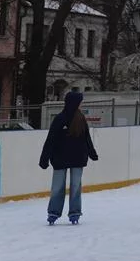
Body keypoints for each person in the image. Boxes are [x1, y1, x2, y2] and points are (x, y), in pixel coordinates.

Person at [38, 90, 98, 225]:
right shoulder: (60, 119)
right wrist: (44, 158)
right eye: (80, 102)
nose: (81, 105)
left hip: (77, 158)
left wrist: (92, 153)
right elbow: (51, 139)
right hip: (60, 159)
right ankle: (53, 212)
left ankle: (74, 212)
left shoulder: (81, 119)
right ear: (74, 103)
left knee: (76, 186)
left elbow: (86, 138)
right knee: (58, 187)